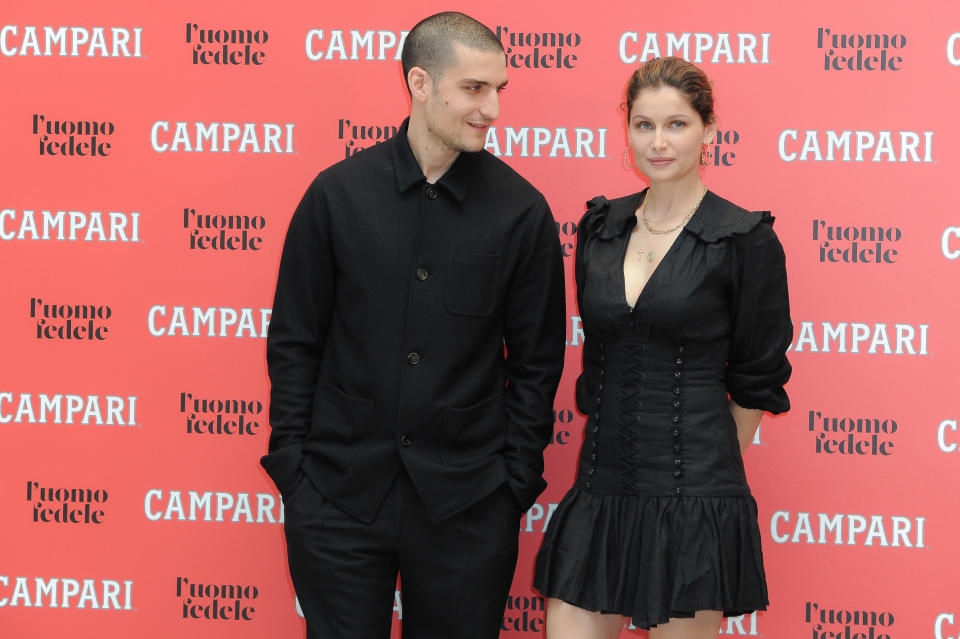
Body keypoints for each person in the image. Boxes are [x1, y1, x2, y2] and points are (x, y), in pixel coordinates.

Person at [261, 11, 566, 639]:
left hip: (470, 506)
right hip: (337, 496)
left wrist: (513, 483)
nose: (493, 110)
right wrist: (296, 470)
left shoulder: (522, 213)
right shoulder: (336, 196)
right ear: (421, 84)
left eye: (499, 90)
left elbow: (537, 364)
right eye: (474, 89)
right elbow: (295, 341)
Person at [533, 56, 792, 638]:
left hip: (693, 497)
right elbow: (597, 360)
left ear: (708, 130)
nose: (658, 141)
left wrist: (706, 474)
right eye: (643, 125)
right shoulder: (600, 230)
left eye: (676, 124)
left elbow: (757, 375)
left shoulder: (744, 239)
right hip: (602, 488)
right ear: (625, 130)